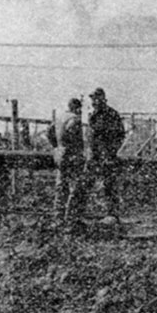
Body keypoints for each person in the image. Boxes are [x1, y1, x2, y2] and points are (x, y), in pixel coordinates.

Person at [88, 87, 126, 220]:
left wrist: (111, 152)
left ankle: (111, 213)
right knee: (87, 182)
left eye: (96, 99)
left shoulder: (112, 114)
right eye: (92, 99)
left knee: (109, 184)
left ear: (103, 99)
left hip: (107, 155)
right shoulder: (93, 115)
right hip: (94, 154)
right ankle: (86, 212)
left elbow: (120, 135)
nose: (94, 102)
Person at [48, 97, 87, 230]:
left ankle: (58, 218)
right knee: (76, 187)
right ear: (77, 107)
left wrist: (57, 146)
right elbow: (73, 134)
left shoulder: (59, 118)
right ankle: (71, 219)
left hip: (60, 154)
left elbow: (49, 132)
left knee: (61, 186)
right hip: (72, 155)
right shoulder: (75, 119)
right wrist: (77, 150)